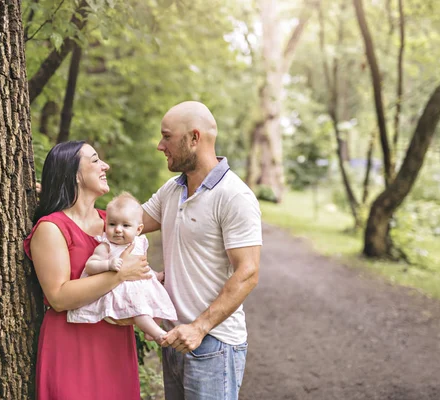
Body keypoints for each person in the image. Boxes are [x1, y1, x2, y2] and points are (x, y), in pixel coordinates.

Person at [142, 101, 262, 400]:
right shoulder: (172, 189)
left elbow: (248, 272)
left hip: (213, 344)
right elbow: (126, 225)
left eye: (167, 136)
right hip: (175, 340)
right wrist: (68, 197)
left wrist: (199, 327)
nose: (160, 145)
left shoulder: (234, 196)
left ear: (194, 138)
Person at [23, 141, 151, 400]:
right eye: (95, 160)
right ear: (74, 175)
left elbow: (139, 275)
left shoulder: (112, 223)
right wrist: (119, 274)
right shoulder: (52, 228)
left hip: (115, 342)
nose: (105, 165)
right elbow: (58, 297)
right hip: (73, 344)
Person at [67, 192, 177, 343]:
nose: (118, 229)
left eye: (125, 225)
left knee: (158, 299)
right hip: (121, 292)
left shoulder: (139, 243)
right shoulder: (106, 246)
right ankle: (158, 334)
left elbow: (141, 267)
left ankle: (152, 329)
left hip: (138, 287)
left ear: (138, 229)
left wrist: (154, 275)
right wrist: (108, 264)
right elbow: (90, 266)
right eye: (112, 224)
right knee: (140, 310)